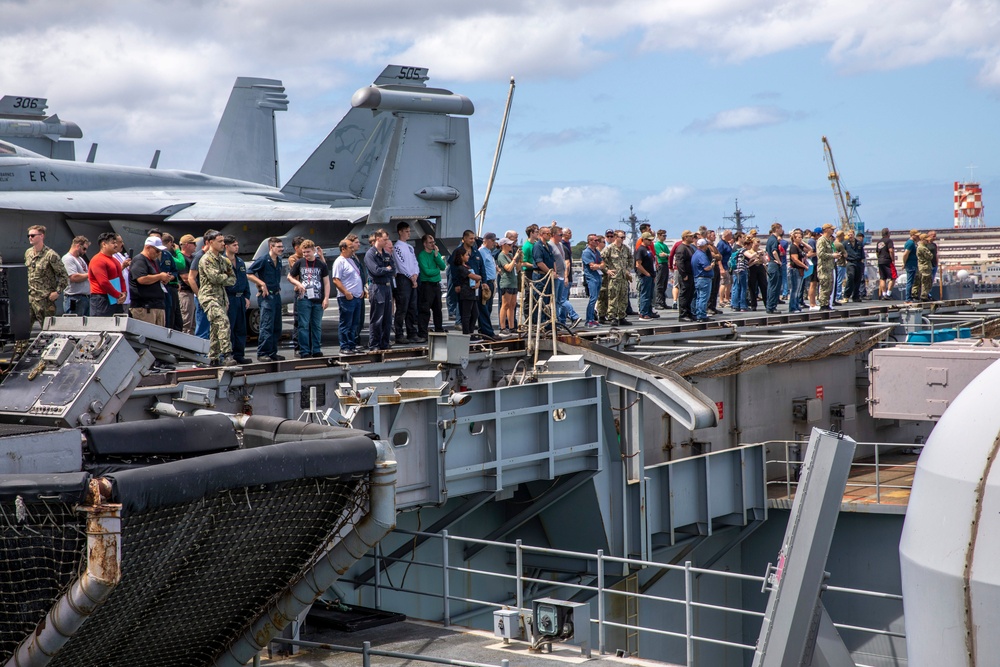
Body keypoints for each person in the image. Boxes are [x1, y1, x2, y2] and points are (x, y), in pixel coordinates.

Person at [198, 230, 237, 366]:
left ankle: (213, 357)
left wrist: (224, 277)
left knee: (215, 328)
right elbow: (215, 278)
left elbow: (233, 279)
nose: (223, 244)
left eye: (223, 241)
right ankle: (227, 355)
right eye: (219, 241)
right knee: (222, 321)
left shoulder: (224, 260)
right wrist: (225, 276)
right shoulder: (206, 259)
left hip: (221, 298)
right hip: (209, 297)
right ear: (210, 242)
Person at [247, 237, 286, 362]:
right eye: (278, 247)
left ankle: (272, 352)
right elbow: (249, 273)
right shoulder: (263, 260)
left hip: (276, 295)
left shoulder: (278, 261)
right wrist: (261, 284)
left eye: (281, 246)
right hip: (266, 297)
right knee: (266, 325)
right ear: (271, 247)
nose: (281, 249)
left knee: (276, 326)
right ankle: (263, 352)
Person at [288, 239, 330, 358]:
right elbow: (289, 276)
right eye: (304, 252)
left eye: (308, 252)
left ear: (313, 251)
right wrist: (298, 283)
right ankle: (304, 350)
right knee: (303, 325)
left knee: (316, 325)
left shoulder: (321, 264)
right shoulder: (300, 262)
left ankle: (316, 349)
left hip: (317, 299)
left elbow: (326, 282)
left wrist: (326, 298)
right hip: (304, 298)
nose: (306, 254)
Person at [24, 225, 69, 327]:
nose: (30, 238)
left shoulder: (51, 255)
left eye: (33, 235)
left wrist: (57, 292)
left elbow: (64, 276)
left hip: (45, 300)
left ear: (41, 236)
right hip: (30, 298)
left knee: (47, 331)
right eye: (29, 236)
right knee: (23, 331)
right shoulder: (28, 253)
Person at [128, 236, 172, 326]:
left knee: (159, 337)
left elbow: (154, 278)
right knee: (147, 336)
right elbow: (141, 279)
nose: (159, 253)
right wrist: (160, 276)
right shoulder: (139, 260)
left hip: (157, 305)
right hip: (145, 307)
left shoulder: (154, 261)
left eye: (160, 251)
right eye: (157, 251)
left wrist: (163, 279)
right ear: (148, 247)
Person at [331, 238, 364, 353]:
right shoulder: (340, 261)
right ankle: (344, 346)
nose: (352, 249)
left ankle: (351, 345)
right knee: (346, 323)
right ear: (343, 249)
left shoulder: (351, 260)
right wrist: (346, 292)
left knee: (354, 323)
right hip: (347, 297)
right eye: (350, 247)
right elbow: (336, 279)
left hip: (356, 296)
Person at [365, 229, 395, 351]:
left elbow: (393, 269)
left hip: (387, 287)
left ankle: (385, 342)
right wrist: (386, 270)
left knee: (388, 318)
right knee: (377, 318)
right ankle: (374, 344)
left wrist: (387, 270)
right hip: (377, 287)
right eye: (385, 239)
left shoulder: (386, 255)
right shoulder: (370, 254)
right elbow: (375, 271)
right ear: (378, 239)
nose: (387, 242)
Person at [224, 236, 252, 363]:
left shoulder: (240, 261)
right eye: (234, 245)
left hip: (240, 298)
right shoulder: (222, 261)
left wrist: (247, 296)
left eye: (237, 245)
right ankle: (228, 355)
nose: (237, 247)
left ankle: (239, 355)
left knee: (241, 329)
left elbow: (244, 280)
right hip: (229, 298)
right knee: (229, 328)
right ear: (227, 246)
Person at [392, 222, 420, 344]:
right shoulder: (397, 247)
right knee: (402, 307)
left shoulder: (410, 247)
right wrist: (411, 277)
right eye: (407, 231)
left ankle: (412, 333)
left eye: (409, 231)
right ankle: (399, 334)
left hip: (412, 278)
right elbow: (401, 264)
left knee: (412, 307)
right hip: (403, 279)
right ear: (400, 232)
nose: (409, 233)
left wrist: (415, 275)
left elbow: (415, 262)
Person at [88, 232, 127, 317]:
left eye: (116, 243)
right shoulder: (98, 260)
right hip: (101, 299)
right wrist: (118, 294)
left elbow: (121, 278)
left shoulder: (115, 260)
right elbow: (103, 282)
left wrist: (124, 293)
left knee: (117, 326)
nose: (116, 245)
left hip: (115, 298)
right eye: (113, 243)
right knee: (101, 326)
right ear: (104, 244)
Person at [417, 233, 447, 339]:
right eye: (430, 242)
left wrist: (436, 256)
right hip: (427, 285)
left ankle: (439, 329)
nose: (433, 244)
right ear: (425, 244)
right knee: (425, 310)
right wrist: (437, 270)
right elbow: (427, 271)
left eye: (433, 242)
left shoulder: (435, 253)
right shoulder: (422, 255)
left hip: (436, 285)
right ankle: (423, 332)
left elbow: (443, 266)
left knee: (438, 308)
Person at [549, 226, 580, 327]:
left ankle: (559, 321)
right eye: (560, 235)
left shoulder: (561, 246)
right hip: (556, 276)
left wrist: (565, 276)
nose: (562, 237)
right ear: (554, 235)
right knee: (559, 300)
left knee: (559, 300)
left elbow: (565, 261)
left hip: (562, 276)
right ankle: (573, 316)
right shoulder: (550, 245)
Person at [603, 231, 633, 326]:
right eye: (621, 237)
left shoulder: (626, 249)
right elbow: (601, 259)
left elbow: (631, 259)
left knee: (623, 298)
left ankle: (621, 317)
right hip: (614, 278)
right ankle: (612, 317)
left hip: (623, 278)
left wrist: (628, 269)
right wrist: (607, 270)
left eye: (624, 237)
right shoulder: (609, 248)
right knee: (613, 297)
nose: (623, 239)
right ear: (616, 237)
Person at [451, 245, 481, 335]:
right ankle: (466, 332)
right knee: (466, 314)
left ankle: (470, 331)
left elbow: (475, 277)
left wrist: (478, 282)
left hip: (472, 292)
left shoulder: (467, 266)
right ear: (461, 256)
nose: (468, 256)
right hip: (466, 293)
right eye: (466, 255)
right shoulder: (461, 268)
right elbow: (473, 276)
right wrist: (479, 278)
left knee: (475, 313)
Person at [496, 237, 520, 333]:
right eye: (509, 245)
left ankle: (511, 326)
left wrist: (519, 259)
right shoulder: (501, 256)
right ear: (503, 245)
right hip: (506, 283)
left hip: (513, 282)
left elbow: (516, 269)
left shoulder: (510, 255)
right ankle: (502, 327)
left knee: (512, 305)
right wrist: (514, 258)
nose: (511, 246)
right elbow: (508, 268)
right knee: (505, 305)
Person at [62, 236, 91, 316]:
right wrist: (90, 274)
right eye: (84, 249)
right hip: (74, 298)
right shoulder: (68, 259)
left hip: (84, 298)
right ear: (78, 246)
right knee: (73, 323)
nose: (85, 252)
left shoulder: (80, 259)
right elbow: (73, 277)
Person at [160, 234, 183, 330]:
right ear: (170, 243)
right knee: (167, 318)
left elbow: (175, 270)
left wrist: (171, 277)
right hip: (163, 288)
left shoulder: (167, 255)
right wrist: (177, 250)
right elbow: (181, 264)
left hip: (171, 288)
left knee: (176, 319)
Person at [478, 232, 499, 336]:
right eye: (492, 240)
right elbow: (480, 267)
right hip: (486, 283)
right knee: (484, 308)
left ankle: (484, 329)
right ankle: (486, 331)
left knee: (488, 308)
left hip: (491, 282)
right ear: (486, 240)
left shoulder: (488, 252)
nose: (494, 243)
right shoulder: (482, 251)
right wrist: (483, 282)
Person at [581, 234, 604, 327]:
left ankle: (593, 319)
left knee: (595, 298)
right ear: (590, 241)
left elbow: (602, 263)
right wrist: (599, 266)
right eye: (595, 240)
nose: (597, 242)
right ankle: (589, 320)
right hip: (591, 278)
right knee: (592, 298)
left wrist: (599, 266)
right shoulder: (586, 252)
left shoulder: (596, 252)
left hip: (598, 277)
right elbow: (592, 266)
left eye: (598, 240)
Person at [177, 234, 197, 333]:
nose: (196, 246)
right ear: (187, 245)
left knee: (193, 323)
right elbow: (185, 278)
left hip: (193, 293)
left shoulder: (193, 258)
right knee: (186, 321)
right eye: (193, 243)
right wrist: (198, 290)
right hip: (185, 293)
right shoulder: (181, 258)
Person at [634, 231, 656, 320]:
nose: (650, 241)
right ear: (644, 239)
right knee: (645, 295)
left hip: (650, 275)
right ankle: (643, 313)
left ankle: (648, 312)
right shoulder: (641, 250)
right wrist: (646, 273)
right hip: (645, 276)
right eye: (648, 240)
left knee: (650, 295)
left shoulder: (647, 249)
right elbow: (638, 264)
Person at [674, 231, 696, 321]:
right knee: (684, 294)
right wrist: (684, 274)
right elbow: (679, 262)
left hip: (691, 274)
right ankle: (682, 315)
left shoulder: (690, 248)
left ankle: (688, 312)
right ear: (685, 237)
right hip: (685, 275)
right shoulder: (681, 248)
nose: (692, 238)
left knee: (690, 294)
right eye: (690, 236)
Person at [692, 239, 714, 322]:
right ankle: (702, 315)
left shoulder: (695, 254)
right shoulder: (702, 255)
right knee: (703, 298)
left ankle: (698, 314)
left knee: (699, 297)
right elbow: (706, 267)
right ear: (704, 245)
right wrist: (711, 265)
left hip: (697, 278)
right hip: (704, 278)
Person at [816, 223, 836, 310]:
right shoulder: (822, 240)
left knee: (829, 287)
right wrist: (832, 255)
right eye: (831, 229)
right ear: (826, 229)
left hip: (829, 267)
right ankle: (823, 304)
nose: (833, 231)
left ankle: (826, 303)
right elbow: (820, 254)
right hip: (823, 268)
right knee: (824, 286)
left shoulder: (828, 240)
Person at [787, 230, 807, 312]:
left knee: (798, 289)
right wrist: (804, 266)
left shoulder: (800, 247)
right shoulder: (793, 247)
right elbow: (795, 259)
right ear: (794, 238)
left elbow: (810, 249)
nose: (800, 238)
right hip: (795, 269)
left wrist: (803, 242)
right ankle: (792, 307)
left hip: (800, 270)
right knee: (794, 289)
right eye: (798, 237)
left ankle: (796, 305)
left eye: (801, 237)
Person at [765, 222, 783, 314]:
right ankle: (771, 306)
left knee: (771, 286)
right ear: (776, 229)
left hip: (771, 264)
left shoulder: (770, 239)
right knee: (774, 287)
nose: (781, 230)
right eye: (780, 228)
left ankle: (770, 306)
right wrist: (779, 261)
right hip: (774, 264)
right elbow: (774, 251)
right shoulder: (774, 240)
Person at [597, 229, 615, 322]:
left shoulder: (614, 249)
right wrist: (607, 270)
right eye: (608, 236)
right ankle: (601, 315)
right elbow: (601, 264)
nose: (610, 238)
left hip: (612, 276)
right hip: (603, 275)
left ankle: (609, 314)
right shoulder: (602, 251)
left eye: (612, 236)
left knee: (610, 296)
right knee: (602, 296)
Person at [843, 230, 864, 303]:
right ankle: (846, 295)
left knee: (858, 280)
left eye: (851, 235)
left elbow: (862, 253)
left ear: (854, 234)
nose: (850, 236)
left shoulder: (859, 243)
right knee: (850, 277)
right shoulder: (845, 243)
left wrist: (862, 262)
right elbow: (843, 253)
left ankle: (855, 296)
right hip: (850, 262)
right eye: (849, 235)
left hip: (858, 262)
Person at [730, 237, 750, 312]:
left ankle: (734, 305)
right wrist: (757, 253)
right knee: (743, 288)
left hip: (735, 270)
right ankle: (743, 305)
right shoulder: (742, 250)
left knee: (736, 287)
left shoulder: (735, 248)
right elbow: (750, 256)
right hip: (741, 270)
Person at [876, 227, 896, 300]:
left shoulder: (879, 242)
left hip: (880, 261)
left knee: (882, 278)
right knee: (893, 277)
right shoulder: (889, 241)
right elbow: (891, 250)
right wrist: (893, 259)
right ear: (888, 234)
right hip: (887, 260)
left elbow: (877, 252)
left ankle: (884, 294)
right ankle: (888, 293)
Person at [901, 228, 920, 302]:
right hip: (910, 264)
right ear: (912, 235)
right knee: (910, 281)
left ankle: (909, 297)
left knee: (912, 281)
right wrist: (904, 263)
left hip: (913, 264)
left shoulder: (914, 243)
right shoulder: (910, 243)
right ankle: (908, 298)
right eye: (916, 235)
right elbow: (905, 254)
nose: (918, 237)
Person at [717, 230, 734, 308]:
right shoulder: (721, 244)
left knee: (728, 283)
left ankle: (726, 298)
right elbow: (719, 256)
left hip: (728, 266)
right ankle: (721, 300)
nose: (731, 237)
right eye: (730, 235)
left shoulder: (727, 243)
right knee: (723, 283)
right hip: (723, 265)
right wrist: (721, 268)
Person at [916, 234, 933, 302]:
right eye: (926, 240)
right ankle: (924, 295)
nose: (927, 241)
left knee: (925, 281)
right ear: (923, 240)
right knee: (926, 282)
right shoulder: (922, 248)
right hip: (925, 266)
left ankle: (924, 295)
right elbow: (930, 256)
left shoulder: (920, 247)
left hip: (923, 266)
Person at [833, 229, 848, 303]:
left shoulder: (833, 243)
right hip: (841, 264)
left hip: (835, 264)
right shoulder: (840, 244)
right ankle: (838, 296)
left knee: (836, 280)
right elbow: (845, 255)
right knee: (839, 281)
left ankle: (835, 296)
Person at [927, 230, 939, 296]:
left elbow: (936, 254)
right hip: (929, 265)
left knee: (932, 280)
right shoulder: (926, 244)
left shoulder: (934, 245)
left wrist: (937, 263)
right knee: (927, 280)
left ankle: (930, 293)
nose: (935, 237)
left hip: (934, 264)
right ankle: (927, 294)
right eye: (933, 236)